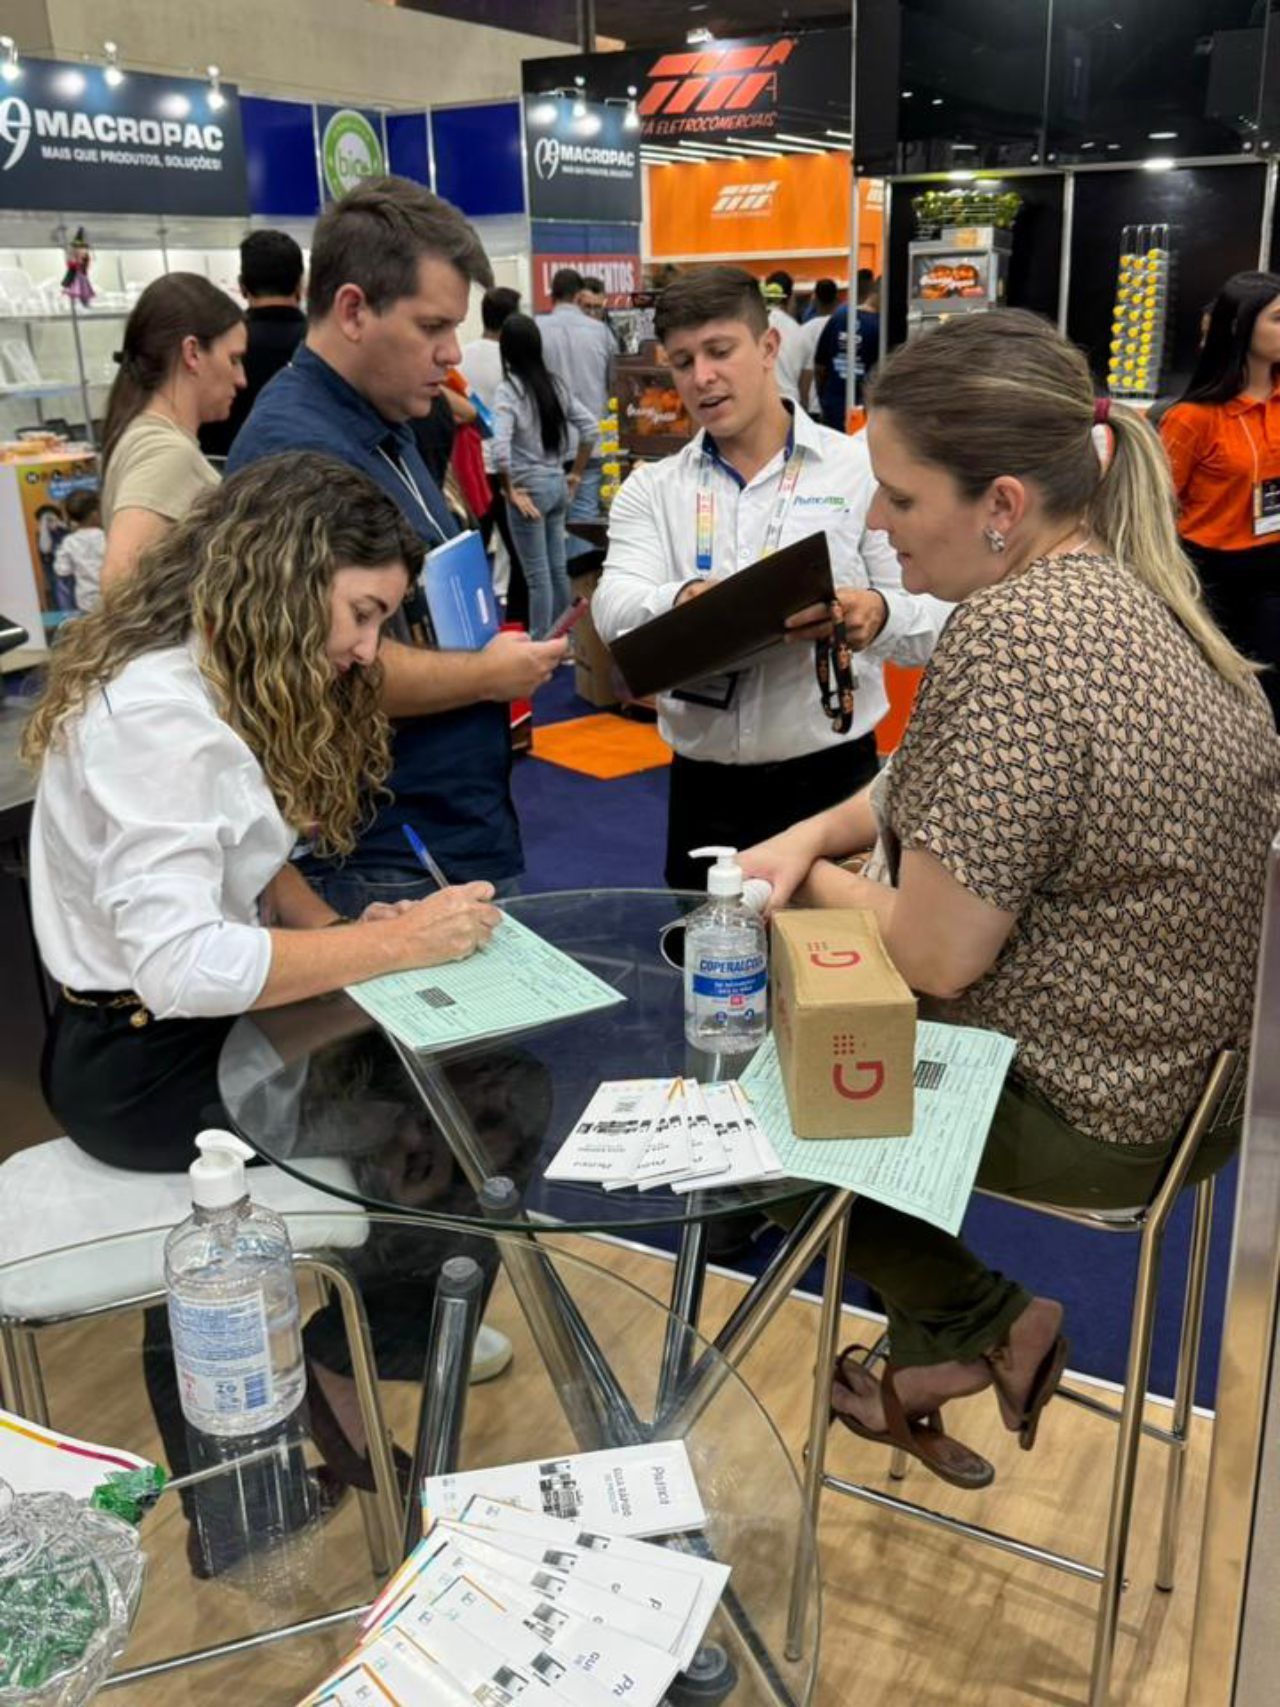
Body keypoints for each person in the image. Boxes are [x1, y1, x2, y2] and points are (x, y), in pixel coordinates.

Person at [740, 309, 1279, 1488]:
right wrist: (810, 834)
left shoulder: (1015, 639)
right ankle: (948, 1342)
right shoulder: (1132, 598)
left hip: (1085, 1110)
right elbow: (920, 780)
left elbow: (935, 956)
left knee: (749, 1125)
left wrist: (798, 889)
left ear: (997, 503)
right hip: (1182, 1098)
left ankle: (982, 1322)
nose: (874, 524)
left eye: (896, 496)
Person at [24, 453, 503, 1504]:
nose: (366, 651)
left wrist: (335, 930)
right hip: (146, 1061)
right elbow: (185, 961)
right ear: (289, 577)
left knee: (465, 1073)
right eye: (363, 615)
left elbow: (234, 850)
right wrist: (395, 946)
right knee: (472, 1109)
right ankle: (348, 1355)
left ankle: (367, 1330)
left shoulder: (191, 670)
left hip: (166, 1026)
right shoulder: (161, 719)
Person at [227, 177, 566, 912]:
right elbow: (328, 667)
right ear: (353, 309)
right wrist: (484, 674)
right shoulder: (298, 453)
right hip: (384, 852)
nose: (449, 354)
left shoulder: (384, 421)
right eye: (431, 326)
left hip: (446, 820)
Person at [593, 266, 949, 893]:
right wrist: (686, 604)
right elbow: (613, 607)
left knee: (834, 980)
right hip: (704, 787)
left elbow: (936, 616)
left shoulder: (859, 470)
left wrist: (876, 615)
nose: (702, 376)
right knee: (704, 971)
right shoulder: (654, 489)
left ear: (767, 347)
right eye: (683, 361)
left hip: (834, 785)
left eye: (719, 351)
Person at [1159, 270, 1280, 725]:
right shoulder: (1193, 419)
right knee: (1214, 702)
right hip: (1209, 575)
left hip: (1272, 566)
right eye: (1278, 318)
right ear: (1240, 327)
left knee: (1269, 698)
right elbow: (1158, 508)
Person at [99, 274, 245, 592]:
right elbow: (119, 583)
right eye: (233, 360)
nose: (241, 378)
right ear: (192, 353)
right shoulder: (167, 452)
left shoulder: (139, 433)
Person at [493, 312, 599, 638]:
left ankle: (541, 643)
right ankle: (561, 642)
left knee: (538, 575)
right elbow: (590, 428)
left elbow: (500, 449)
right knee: (556, 570)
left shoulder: (509, 391)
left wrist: (509, 490)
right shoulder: (554, 385)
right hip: (556, 484)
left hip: (529, 490)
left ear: (506, 350)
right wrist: (576, 474)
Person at [198, 229, 307, 460]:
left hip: (232, 484)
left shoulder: (215, 347)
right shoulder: (322, 345)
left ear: (242, 285)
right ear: (301, 283)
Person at [461, 285, 529, 626]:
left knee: (474, 553)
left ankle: (474, 624)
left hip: (471, 466)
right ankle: (517, 624)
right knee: (520, 554)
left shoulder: (461, 355)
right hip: (506, 467)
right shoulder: (511, 362)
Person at [537, 266, 615, 562]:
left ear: (552, 294)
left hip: (547, 443)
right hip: (590, 441)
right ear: (580, 295)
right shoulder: (601, 332)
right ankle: (580, 595)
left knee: (549, 524)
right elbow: (613, 384)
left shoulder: (536, 329)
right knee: (583, 518)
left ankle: (556, 598)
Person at [52, 488, 105, 613]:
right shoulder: (107, 536)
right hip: (112, 598)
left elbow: (62, 571)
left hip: (86, 603)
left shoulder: (69, 542)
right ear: (95, 513)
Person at [762, 270, 806, 407]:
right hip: (791, 403)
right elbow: (805, 378)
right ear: (790, 297)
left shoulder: (756, 326)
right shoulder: (799, 330)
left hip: (763, 400)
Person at [799, 277, 840, 417]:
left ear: (815, 299)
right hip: (835, 403)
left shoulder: (804, 330)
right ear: (836, 299)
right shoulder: (843, 327)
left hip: (811, 405)